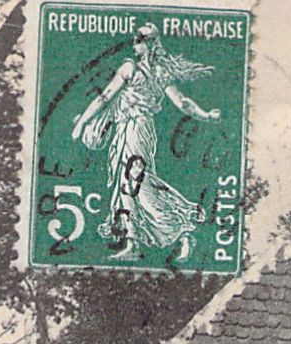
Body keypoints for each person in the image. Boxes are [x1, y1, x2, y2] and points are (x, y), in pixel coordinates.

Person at [69, 23, 221, 262]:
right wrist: (83, 122)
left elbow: (181, 102)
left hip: (138, 129)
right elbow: (106, 97)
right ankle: (133, 242)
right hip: (125, 129)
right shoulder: (143, 69)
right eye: (134, 39)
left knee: (138, 183)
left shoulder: (143, 70)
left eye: (138, 40)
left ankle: (182, 228)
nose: (134, 44)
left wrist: (204, 115)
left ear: (150, 43)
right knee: (125, 183)